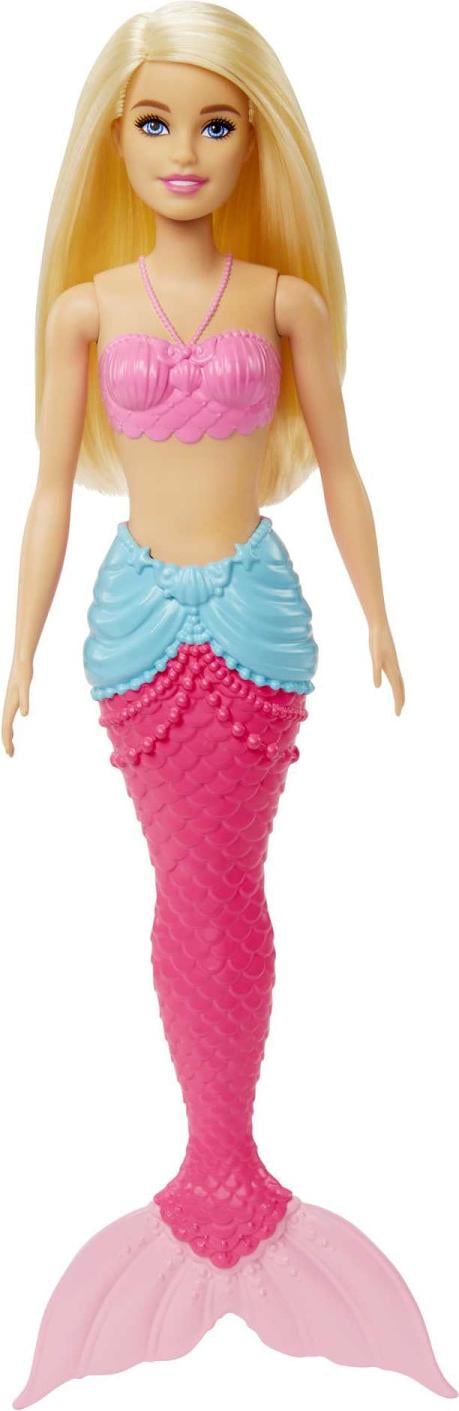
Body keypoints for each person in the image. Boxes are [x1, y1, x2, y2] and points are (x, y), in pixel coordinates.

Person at [3, 4, 456, 1405]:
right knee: (184, 882)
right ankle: (215, 1173)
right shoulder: (86, 311)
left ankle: (226, 1172)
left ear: (258, 141)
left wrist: (381, 613)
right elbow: (46, 493)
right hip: (136, 623)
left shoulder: (284, 301)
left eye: (216, 122)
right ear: (114, 138)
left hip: (258, 617)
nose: (184, 149)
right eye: (156, 121)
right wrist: (19, 650)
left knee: (224, 881)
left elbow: (344, 467)